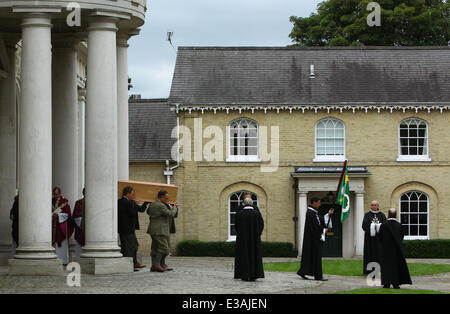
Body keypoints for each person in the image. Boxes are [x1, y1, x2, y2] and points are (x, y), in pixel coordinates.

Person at [297, 196, 334, 281]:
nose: (320, 204)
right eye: (319, 202)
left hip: (313, 239)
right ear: (314, 202)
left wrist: (328, 214)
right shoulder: (310, 213)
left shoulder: (314, 213)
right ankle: (318, 276)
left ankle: (303, 272)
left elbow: (321, 221)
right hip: (313, 239)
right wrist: (324, 230)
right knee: (316, 257)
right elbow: (314, 226)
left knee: (311, 256)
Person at [378, 208, 412, 289]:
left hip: (386, 250)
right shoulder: (399, 225)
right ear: (396, 215)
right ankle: (396, 284)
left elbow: (380, 237)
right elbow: (402, 237)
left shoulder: (383, 225)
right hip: (397, 250)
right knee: (396, 267)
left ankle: (386, 283)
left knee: (386, 267)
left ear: (388, 214)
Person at [147, 190, 178, 272]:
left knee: (155, 248)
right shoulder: (160, 205)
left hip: (153, 229)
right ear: (161, 197)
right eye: (166, 198)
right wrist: (175, 207)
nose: (167, 200)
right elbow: (171, 214)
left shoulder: (152, 204)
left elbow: (148, 212)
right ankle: (157, 265)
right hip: (160, 230)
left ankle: (157, 265)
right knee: (164, 248)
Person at [234, 197, 264, 281]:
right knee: (254, 255)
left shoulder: (239, 214)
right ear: (252, 204)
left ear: (244, 203)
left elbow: (236, 226)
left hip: (242, 240)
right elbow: (261, 225)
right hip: (255, 239)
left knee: (243, 256)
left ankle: (244, 274)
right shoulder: (257, 214)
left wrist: (241, 234)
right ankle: (254, 274)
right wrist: (257, 234)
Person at [118, 186, 148, 271]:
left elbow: (141, 210)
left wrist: (146, 203)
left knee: (134, 246)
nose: (133, 196)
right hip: (125, 228)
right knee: (128, 247)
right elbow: (132, 213)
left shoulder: (131, 202)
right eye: (132, 194)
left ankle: (135, 263)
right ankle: (129, 264)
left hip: (131, 228)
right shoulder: (122, 202)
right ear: (127, 194)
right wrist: (135, 204)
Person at [362, 200, 387, 274]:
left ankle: (380, 269)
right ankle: (369, 270)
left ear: (378, 206)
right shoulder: (367, 215)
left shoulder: (382, 215)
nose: (373, 206)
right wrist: (373, 226)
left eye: (375, 205)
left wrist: (378, 226)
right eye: (372, 205)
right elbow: (364, 226)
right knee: (370, 254)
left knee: (380, 254)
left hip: (379, 240)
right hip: (369, 240)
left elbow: (385, 226)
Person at [52, 187, 73, 266]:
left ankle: (63, 260)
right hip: (52, 225)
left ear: (60, 193)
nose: (55, 196)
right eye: (54, 194)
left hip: (61, 226)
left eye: (57, 194)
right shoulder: (50, 201)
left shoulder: (64, 202)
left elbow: (68, 214)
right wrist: (52, 215)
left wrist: (59, 215)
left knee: (61, 243)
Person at [73, 188, 85, 258]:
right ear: (82, 193)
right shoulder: (78, 202)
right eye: (84, 192)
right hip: (80, 227)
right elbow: (75, 215)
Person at [10, 193, 19, 258]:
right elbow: (12, 212)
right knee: (15, 242)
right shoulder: (16, 202)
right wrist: (12, 216)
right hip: (16, 226)